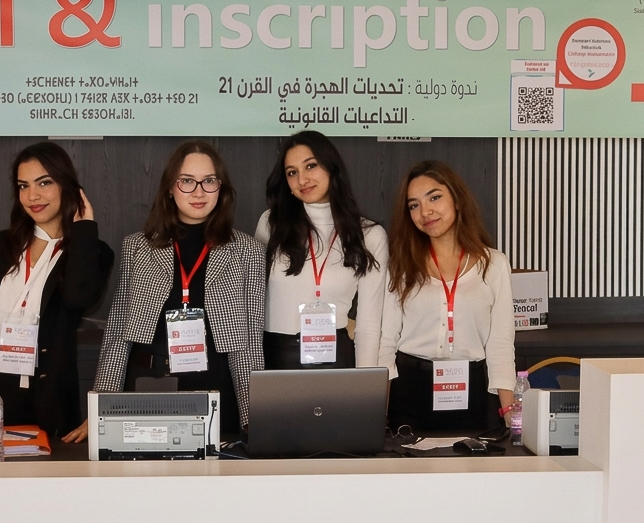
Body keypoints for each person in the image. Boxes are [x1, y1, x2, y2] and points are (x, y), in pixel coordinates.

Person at [74, 140, 265, 441]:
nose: (199, 192)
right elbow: (117, 336)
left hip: (216, 391)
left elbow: (250, 345)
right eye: (187, 181)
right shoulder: (138, 247)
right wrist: (100, 408)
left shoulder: (248, 252)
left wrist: (253, 418)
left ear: (222, 188)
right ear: (170, 189)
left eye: (209, 181)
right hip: (149, 388)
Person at [0, 141, 114, 440]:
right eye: (23, 186)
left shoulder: (91, 251)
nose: (32, 196)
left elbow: (77, 298)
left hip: (42, 391)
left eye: (44, 183)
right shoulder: (3, 244)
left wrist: (84, 229)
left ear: (67, 186)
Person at [379, 160, 516, 433]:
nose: (425, 212)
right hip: (410, 391)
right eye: (414, 205)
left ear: (457, 199)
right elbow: (386, 342)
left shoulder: (494, 265)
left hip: (473, 393)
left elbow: (500, 344)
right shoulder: (400, 266)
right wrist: (377, 411)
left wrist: (509, 412)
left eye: (434, 198)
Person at [255, 131, 387, 369]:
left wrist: (366, 384)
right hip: (276, 357)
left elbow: (368, 325)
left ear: (331, 167)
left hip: (337, 359)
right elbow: (253, 303)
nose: (302, 179)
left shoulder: (369, 234)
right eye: (292, 172)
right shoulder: (270, 223)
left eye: (311, 166)